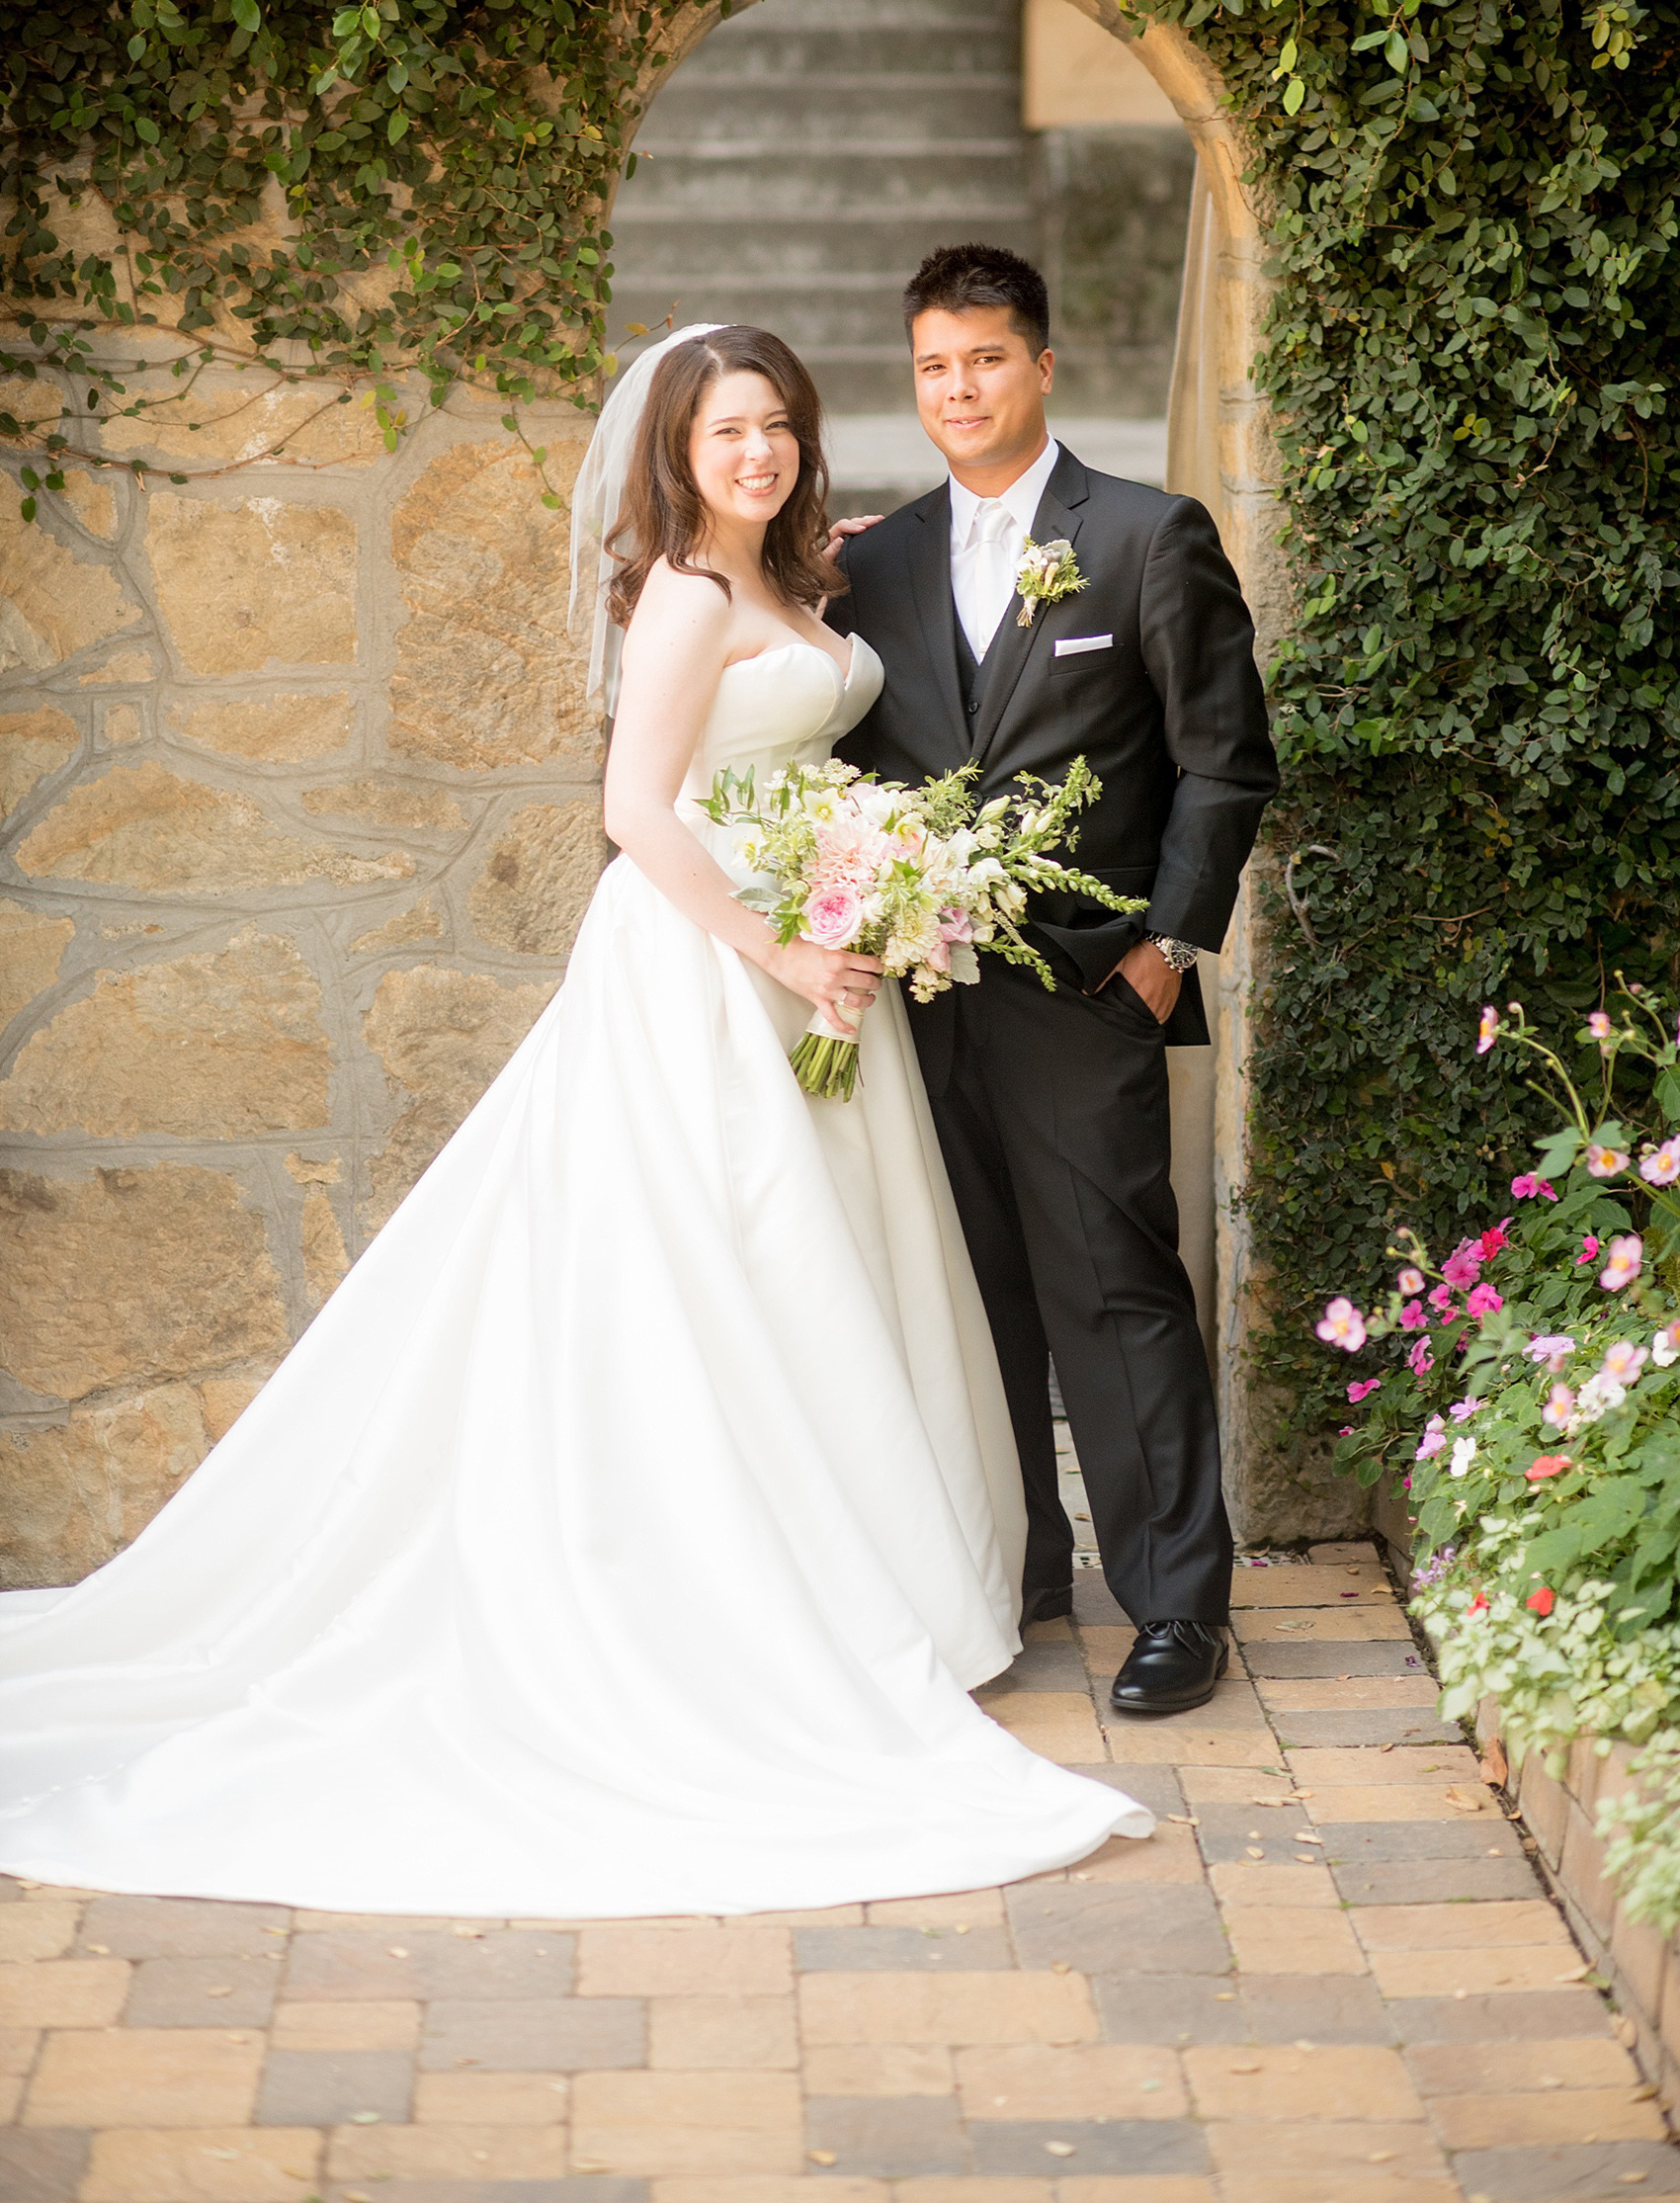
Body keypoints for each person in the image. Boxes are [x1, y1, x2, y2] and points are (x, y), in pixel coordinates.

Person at [0, 322, 1149, 1917]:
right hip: (708, 971)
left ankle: (865, 1577)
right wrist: (785, 945)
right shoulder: (686, 596)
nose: (753, 451)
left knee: (817, 1273)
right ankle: (717, 1605)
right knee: (713, 1276)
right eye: (724, 430)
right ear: (675, 451)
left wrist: (862, 882)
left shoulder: (799, 583)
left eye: (776, 427)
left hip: (812, 966)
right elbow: (634, 812)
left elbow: (812, 723)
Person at [830, 247, 1279, 1716]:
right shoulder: (879, 558)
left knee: (1114, 1287)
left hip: (1088, 988)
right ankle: (1015, 1567)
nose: (959, 389)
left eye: (985, 360)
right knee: (970, 1291)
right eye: (933, 367)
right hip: (921, 999)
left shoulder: (1146, 536)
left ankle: (1173, 1605)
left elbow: (1224, 758)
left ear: (1040, 365)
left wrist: (1169, 948)